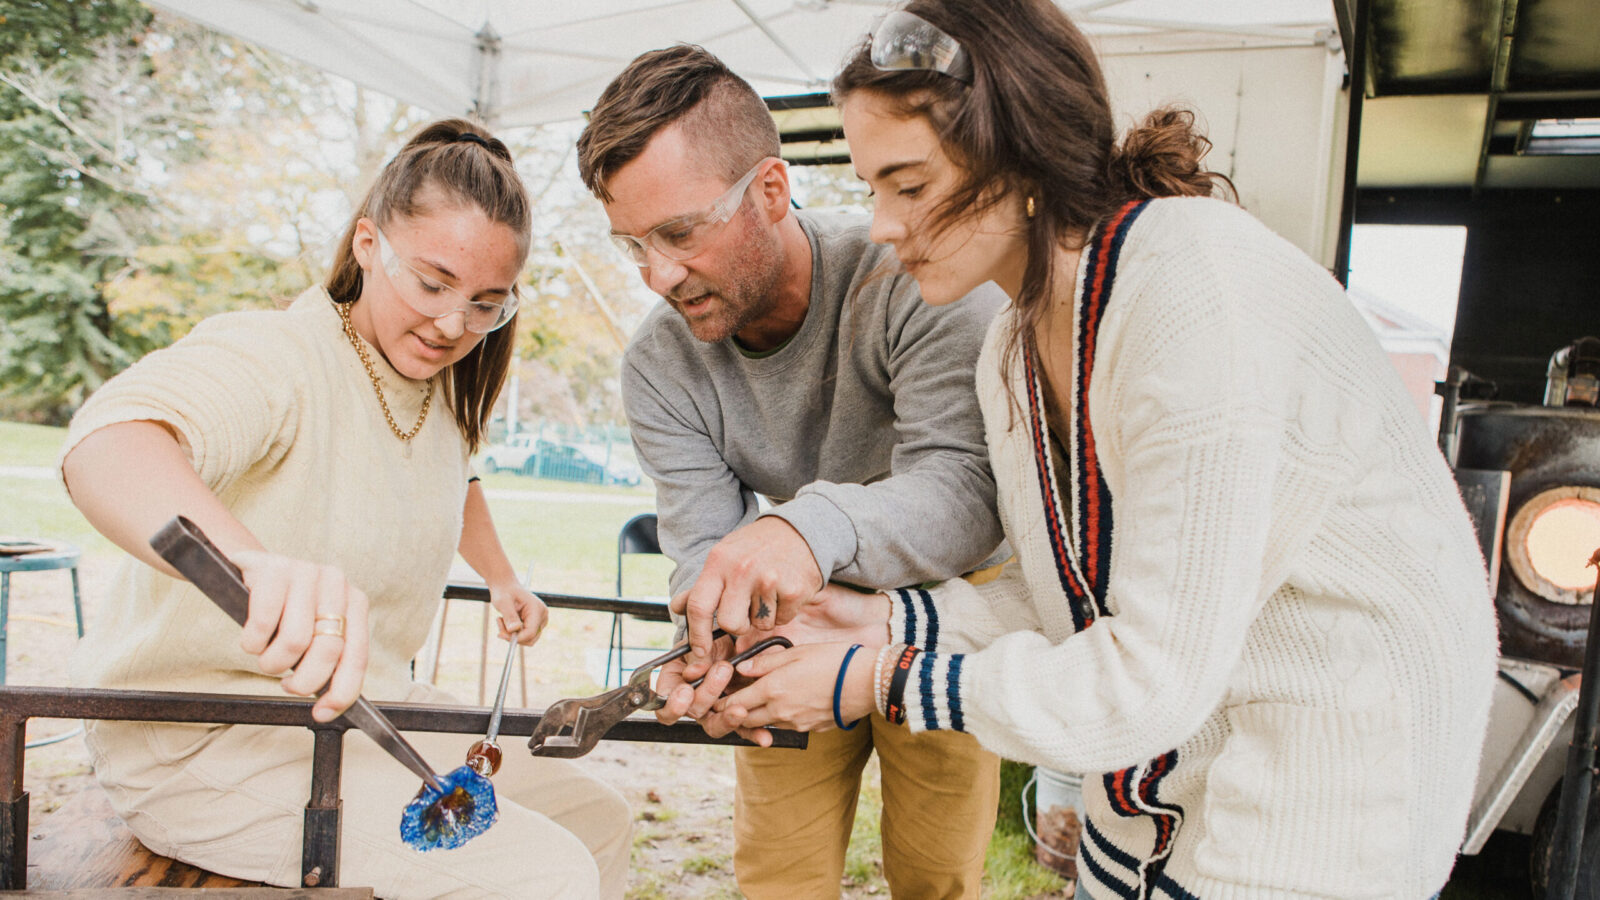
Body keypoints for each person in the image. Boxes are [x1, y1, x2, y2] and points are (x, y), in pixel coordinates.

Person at [702, 3, 1502, 898]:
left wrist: (878, 681)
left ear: (1025, 154)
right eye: (872, 188)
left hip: (1326, 781)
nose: (882, 225)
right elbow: (1072, 600)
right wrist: (888, 622)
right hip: (1165, 775)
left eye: (911, 186)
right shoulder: (1013, 338)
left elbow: (1151, 675)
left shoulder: (1194, 297)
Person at [59, 118, 631, 899]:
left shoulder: (436, 394)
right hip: (206, 741)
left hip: (360, 718)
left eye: (486, 304)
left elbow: (451, 483)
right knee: (542, 873)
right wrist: (252, 566)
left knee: (597, 818)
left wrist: (503, 578)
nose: (453, 325)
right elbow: (112, 442)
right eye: (432, 284)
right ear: (368, 244)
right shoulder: (279, 354)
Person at [576, 45, 1007, 899]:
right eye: (633, 245)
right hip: (787, 618)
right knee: (777, 875)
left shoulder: (913, 281)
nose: (657, 276)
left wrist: (802, 526)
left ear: (770, 191)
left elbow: (967, 490)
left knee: (938, 876)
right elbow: (702, 542)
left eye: (679, 232)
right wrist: (711, 643)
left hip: (940, 612)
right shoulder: (659, 366)